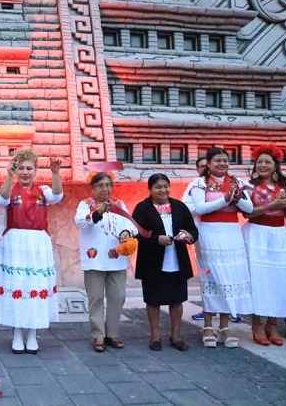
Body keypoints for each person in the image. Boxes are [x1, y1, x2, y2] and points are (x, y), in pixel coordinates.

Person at [0, 149, 63, 354]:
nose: (25, 172)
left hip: (38, 243)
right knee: (18, 287)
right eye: (21, 168)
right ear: (16, 170)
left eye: (29, 168)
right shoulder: (11, 188)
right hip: (15, 242)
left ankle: (33, 334)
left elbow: (58, 195)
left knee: (35, 285)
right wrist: (8, 175)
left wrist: (56, 173)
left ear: (35, 170)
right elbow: (1, 200)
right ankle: (16, 333)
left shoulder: (43, 190)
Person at [190, 147, 253, 348]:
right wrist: (224, 199)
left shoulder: (237, 182)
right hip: (209, 234)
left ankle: (225, 326)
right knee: (211, 278)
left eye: (225, 161)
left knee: (229, 278)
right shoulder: (200, 183)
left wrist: (237, 199)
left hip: (231, 234)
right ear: (208, 164)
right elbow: (200, 208)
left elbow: (249, 209)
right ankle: (208, 325)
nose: (222, 164)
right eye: (217, 160)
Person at [133, 174, 198, 351]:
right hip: (152, 261)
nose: (163, 190)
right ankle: (155, 336)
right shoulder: (142, 208)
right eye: (158, 187)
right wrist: (156, 239)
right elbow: (136, 233)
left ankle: (175, 335)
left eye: (166, 186)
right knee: (153, 300)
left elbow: (192, 228)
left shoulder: (179, 206)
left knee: (177, 299)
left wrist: (189, 236)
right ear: (150, 190)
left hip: (177, 259)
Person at [74, 172, 136, 353]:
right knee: (96, 298)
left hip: (116, 259)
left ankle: (112, 333)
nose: (105, 189)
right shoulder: (85, 205)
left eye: (108, 185)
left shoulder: (119, 205)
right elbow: (81, 222)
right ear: (92, 188)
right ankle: (98, 334)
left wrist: (126, 232)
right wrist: (98, 212)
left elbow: (130, 224)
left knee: (118, 296)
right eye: (100, 185)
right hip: (94, 260)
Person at [242, 145, 286, 346]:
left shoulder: (285, 187)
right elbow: (247, 213)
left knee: (278, 278)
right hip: (256, 234)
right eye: (260, 162)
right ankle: (257, 322)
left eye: (268, 162)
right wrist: (270, 206)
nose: (263, 165)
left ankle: (272, 323)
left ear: (275, 166)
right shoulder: (248, 187)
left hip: (279, 235)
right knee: (257, 278)